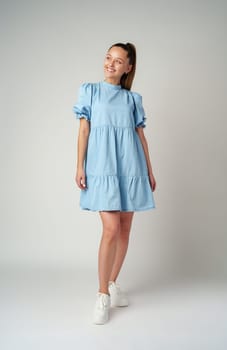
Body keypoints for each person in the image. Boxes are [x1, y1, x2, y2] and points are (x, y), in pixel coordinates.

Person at [73, 42, 156, 325]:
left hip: (131, 166)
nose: (110, 63)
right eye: (108, 57)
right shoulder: (90, 91)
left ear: (128, 68)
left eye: (118, 61)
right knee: (110, 229)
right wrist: (79, 165)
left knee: (124, 229)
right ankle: (102, 295)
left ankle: (112, 282)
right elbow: (84, 130)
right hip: (102, 168)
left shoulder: (133, 100)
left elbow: (140, 137)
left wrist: (149, 170)